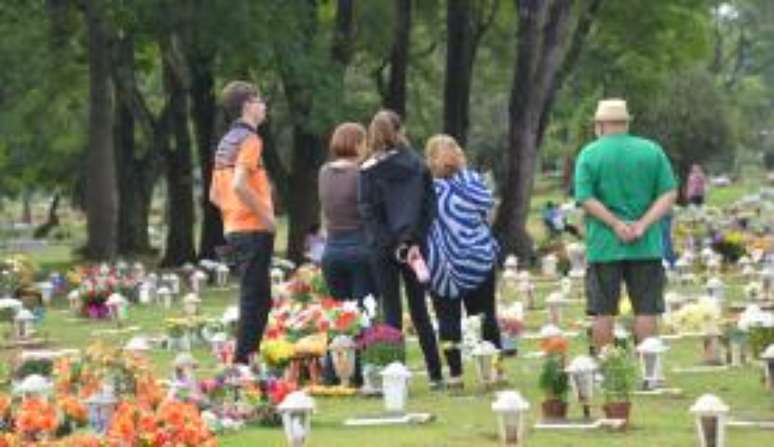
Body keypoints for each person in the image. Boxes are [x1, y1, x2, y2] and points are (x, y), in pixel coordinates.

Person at [574, 98, 677, 352]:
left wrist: (615, 224)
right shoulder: (652, 150)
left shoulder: (590, 153)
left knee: (603, 311)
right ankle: (649, 372)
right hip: (646, 243)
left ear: (600, 125)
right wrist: (642, 224)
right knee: (646, 310)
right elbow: (669, 193)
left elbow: (585, 198)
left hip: (604, 244)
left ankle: (607, 372)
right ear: (626, 123)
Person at [358, 110, 443, 388]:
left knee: (391, 309)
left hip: (383, 247)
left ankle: (396, 376)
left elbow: (368, 211)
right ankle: (435, 373)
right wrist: (413, 241)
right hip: (414, 245)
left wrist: (388, 241)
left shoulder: (367, 170)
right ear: (400, 130)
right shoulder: (418, 166)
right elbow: (429, 208)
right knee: (419, 311)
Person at [424, 134, 501, 389]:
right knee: (485, 315)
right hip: (479, 258)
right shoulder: (473, 181)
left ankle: (455, 374)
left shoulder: (426, 188)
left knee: (448, 319)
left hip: (442, 265)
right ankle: (494, 370)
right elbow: (486, 208)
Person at [209, 80, 275, 365]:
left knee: (258, 297)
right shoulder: (250, 140)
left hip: (234, 228)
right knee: (255, 300)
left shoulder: (225, 142)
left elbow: (215, 194)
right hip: (253, 229)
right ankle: (243, 364)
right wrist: (266, 217)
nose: (264, 106)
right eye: (260, 100)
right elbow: (238, 185)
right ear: (248, 105)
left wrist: (233, 215)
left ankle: (248, 359)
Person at [319, 123, 375, 301]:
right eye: (365, 142)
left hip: (331, 250)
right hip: (361, 248)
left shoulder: (324, 172)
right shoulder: (363, 174)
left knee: (342, 318)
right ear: (358, 145)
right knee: (366, 316)